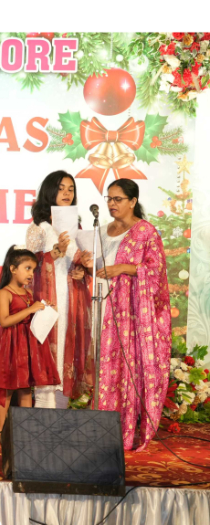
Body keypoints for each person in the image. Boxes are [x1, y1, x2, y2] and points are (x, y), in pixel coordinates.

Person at [80, 179, 170, 451]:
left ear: (132, 201)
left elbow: (156, 272)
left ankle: (122, 431)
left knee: (124, 371)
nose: (111, 204)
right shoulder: (102, 230)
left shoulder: (145, 232)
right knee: (102, 370)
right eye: (109, 198)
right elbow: (100, 267)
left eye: (118, 199)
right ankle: (99, 430)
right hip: (101, 305)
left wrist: (123, 268)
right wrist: (89, 264)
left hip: (129, 315)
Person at [26, 171, 93, 409]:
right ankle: (43, 415)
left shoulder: (76, 226)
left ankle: (61, 415)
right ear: (50, 191)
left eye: (70, 189)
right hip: (47, 299)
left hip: (71, 299)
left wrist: (81, 271)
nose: (66, 193)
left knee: (68, 352)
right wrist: (55, 252)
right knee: (48, 352)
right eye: (61, 188)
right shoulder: (39, 226)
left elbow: (77, 263)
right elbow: (28, 266)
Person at [0, 247, 61, 439]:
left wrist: (43, 310)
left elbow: (30, 318)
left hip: (26, 346)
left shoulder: (28, 293)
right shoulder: (5, 292)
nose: (31, 274)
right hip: (10, 346)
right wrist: (30, 310)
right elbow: (4, 321)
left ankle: (24, 429)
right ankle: (1, 429)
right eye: (27, 268)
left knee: (26, 388)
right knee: (7, 388)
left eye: (33, 270)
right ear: (12, 269)